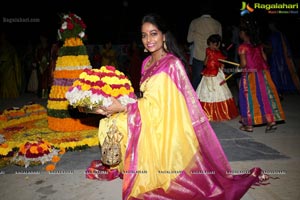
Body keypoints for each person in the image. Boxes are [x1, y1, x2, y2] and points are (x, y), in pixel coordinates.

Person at [91, 13, 269, 199]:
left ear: (164, 36)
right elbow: (148, 97)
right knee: (109, 121)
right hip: (149, 116)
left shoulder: (172, 64)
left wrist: (123, 108)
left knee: (119, 121)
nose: (148, 40)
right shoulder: (146, 63)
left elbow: (164, 106)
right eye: (144, 35)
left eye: (153, 34)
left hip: (166, 127)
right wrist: (116, 101)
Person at [238, 14, 285, 133]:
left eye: (240, 31)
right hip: (263, 74)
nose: (239, 33)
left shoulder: (242, 47)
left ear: (244, 33)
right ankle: (271, 121)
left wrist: (238, 67)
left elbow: (243, 64)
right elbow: (264, 58)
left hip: (250, 75)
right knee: (265, 97)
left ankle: (248, 125)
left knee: (248, 98)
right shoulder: (258, 45)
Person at [196, 34, 239, 121]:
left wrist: (222, 72)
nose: (211, 46)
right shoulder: (208, 50)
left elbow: (222, 65)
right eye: (210, 44)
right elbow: (205, 63)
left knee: (220, 92)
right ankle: (205, 112)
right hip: (208, 73)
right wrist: (208, 57)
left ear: (218, 44)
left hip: (217, 74)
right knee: (204, 92)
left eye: (214, 44)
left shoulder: (221, 54)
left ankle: (220, 112)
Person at [187, 5, 222, 90]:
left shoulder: (195, 22)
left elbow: (189, 39)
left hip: (198, 56)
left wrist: (197, 36)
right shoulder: (217, 23)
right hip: (212, 57)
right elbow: (219, 42)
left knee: (196, 80)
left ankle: (194, 100)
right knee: (212, 81)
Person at [265, 21, 300, 98]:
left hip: (276, 58)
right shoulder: (281, 35)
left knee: (277, 74)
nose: (270, 27)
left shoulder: (275, 36)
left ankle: (279, 90)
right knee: (283, 73)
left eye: (271, 25)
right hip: (282, 58)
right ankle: (284, 89)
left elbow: (271, 48)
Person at [0, 31, 22, 98]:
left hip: (9, 67)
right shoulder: (1, 46)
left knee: (9, 80)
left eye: (3, 36)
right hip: (2, 66)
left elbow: (13, 57)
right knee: (3, 81)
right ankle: (4, 94)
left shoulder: (9, 46)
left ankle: (11, 94)